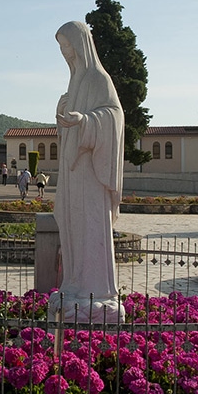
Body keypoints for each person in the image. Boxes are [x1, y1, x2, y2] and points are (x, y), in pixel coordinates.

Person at [49, 21, 125, 323]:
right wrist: (64, 114)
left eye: (66, 45)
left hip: (92, 177)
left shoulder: (97, 78)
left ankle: (97, 293)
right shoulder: (75, 82)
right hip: (73, 174)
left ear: (79, 44)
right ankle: (75, 285)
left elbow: (113, 116)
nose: (64, 52)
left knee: (91, 229)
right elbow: (70, 126)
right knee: (73, 228)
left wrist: (86, 121)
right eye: (61, 47)